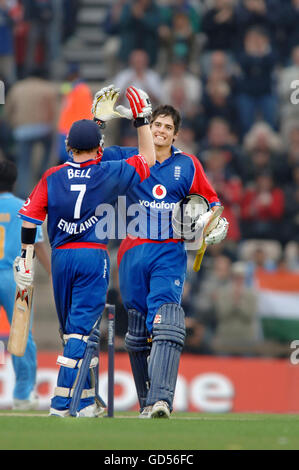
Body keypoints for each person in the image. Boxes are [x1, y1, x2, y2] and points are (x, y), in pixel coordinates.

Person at [14, 91, 155, 418]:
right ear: (100, 149)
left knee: (72, 334)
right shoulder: (107, 171)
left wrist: (24, 258)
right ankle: (61, 403)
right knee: (79, 333)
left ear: (67, 148)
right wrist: (142, 119)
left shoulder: (52, 175)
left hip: (61, 258)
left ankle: (88, 401)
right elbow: (148, 158)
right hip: (92, 257)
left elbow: (31, 218)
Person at [92, 85, 229, 418]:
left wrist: (215, 226)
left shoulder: (188, 165)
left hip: (169, 251)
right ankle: (146, 405)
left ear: (176, 134)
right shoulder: (127, 155)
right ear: (147, 128)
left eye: (168, 127)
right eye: (156, 125)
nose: (161, 131)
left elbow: (213, 203)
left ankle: (162, 400)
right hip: (131, 252)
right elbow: (89, 158)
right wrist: (98, 122)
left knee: (167, 321)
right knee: (137, 335)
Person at [0, 159, 51, 409]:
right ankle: (22, 393)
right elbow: (38, 245)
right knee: (21, 334)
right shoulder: (23, 207)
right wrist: (54, 273)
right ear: (15, 181)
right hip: (15, 276)